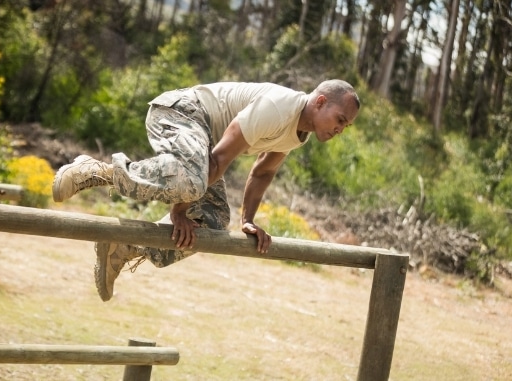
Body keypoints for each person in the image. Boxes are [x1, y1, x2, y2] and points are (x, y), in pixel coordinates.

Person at [52, 80, 360, 301]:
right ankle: (96, 171)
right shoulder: (279, 107)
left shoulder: (299, 133)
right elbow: (218, 160)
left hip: (202, 151)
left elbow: (263, 171)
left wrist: (247, 220)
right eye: (340, 119)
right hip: (181, 113)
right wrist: (178, 210)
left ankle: (124, 247)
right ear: (320, 102)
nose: (340, 129)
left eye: (346, 127)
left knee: (213, 220)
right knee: (194, 180)